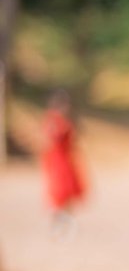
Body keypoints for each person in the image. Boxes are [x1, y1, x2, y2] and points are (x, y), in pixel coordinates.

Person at [40, 89, 87, 235]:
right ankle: (58, 222)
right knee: (59, 191)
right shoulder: (53, 120)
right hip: (57, 159)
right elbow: (49, 138)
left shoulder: (65, 120)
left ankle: (65, 222)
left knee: (67, 192)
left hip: (66, 158)